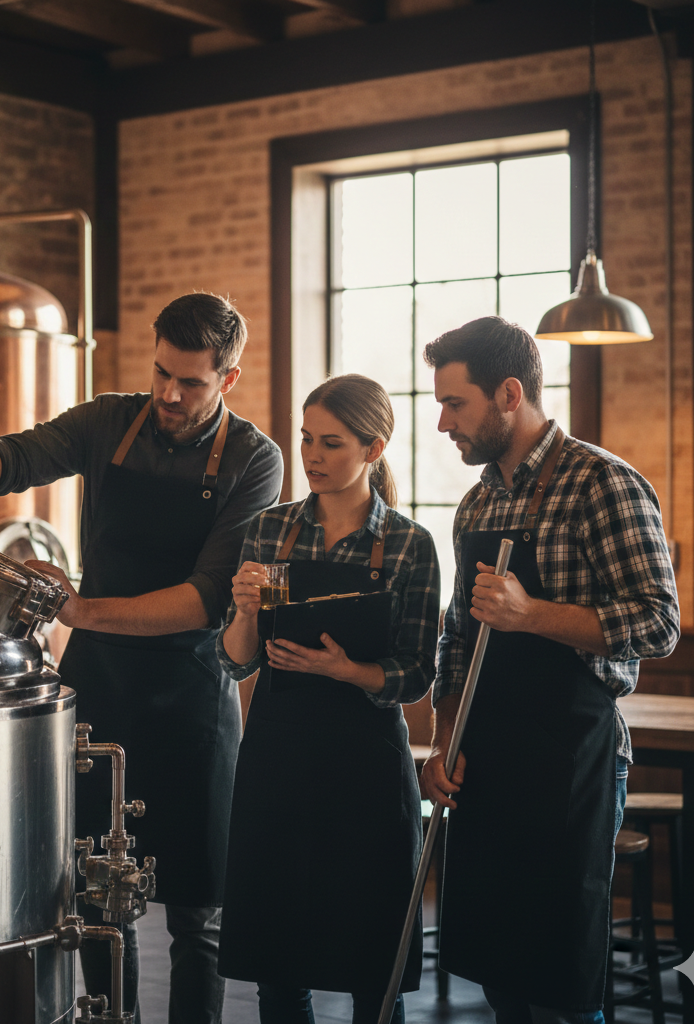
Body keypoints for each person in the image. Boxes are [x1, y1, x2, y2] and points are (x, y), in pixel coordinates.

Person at [0, 292, 284, 1024]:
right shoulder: (110, 420)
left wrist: (79, 610)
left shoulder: (253, 459)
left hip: (192, 701)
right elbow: (22, 452)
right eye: (161, 374)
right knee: (92, 895)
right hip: (100, 690)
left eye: (192, 383)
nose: (170, 395)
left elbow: (206, 598)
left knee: (195, 919)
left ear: (229, 379)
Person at [419, 317, 679, 1024]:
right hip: (487, 757)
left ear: (509, 394)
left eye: (455, 403)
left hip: (572, 758)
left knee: (560, 979)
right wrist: (445, 740)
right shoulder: (477, 502)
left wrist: (533, 614)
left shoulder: (603, 484)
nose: (442, 423)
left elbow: (659, 623)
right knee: (499, 970)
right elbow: (456, 640)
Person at [215, 373, 440, 1024]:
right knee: (278, 968)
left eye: (332, 443)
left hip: (366, 772)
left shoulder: (407, 545)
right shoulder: (270, 531)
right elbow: (236, 662)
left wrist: (347, 670)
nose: (311, 456)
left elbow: (417, 673)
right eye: (307, 439)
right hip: (278, 766)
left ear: (374, 448)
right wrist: (245, 612)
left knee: (376, 969)